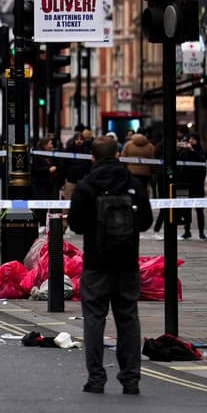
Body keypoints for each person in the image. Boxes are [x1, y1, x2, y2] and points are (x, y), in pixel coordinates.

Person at [67, 137, 153, 395]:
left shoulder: (86, 186)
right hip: (127, 263)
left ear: (92, 158)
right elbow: (146, 221)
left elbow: (76, 225)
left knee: (94, 320)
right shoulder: (133, 184)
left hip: (96, 263)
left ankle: (96, 379)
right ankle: (131, 380)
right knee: (128, 319)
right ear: (117, 154)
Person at [178, 134, 207, 239]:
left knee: (199, 209)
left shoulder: (201, 151)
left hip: (198, 183)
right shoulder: (185, 152)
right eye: (190, 139)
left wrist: (192, 151)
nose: (191, 141)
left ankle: (201, 232)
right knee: (187, 209)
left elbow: (202, 160)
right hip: (187, 183)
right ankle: (187, 231)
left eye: (193, 139)